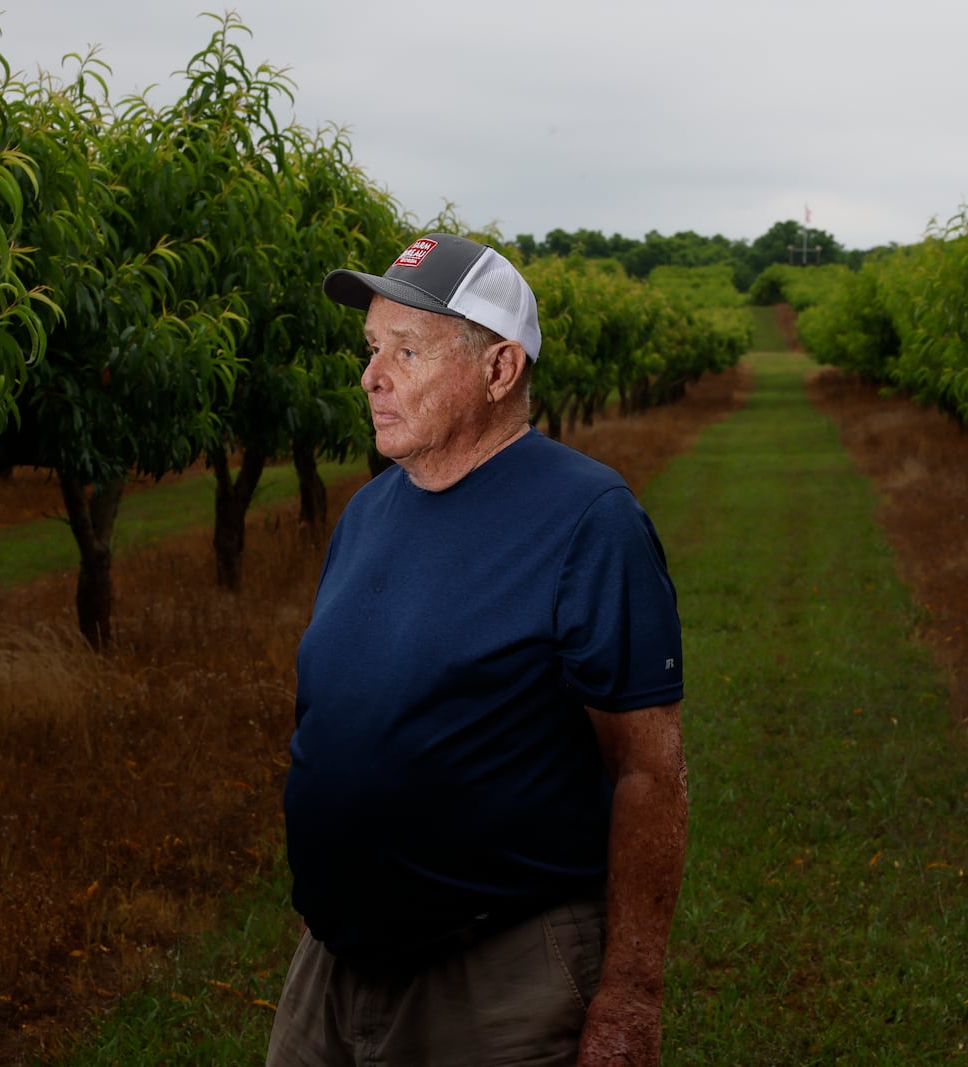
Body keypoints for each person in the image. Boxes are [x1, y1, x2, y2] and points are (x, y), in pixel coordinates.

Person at [266, 233, 688, 1067]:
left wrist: (632, 991)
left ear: (500, 370)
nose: (370, 376)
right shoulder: (370, 512)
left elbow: (649, 770)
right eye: (371, 348)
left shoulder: (588, 521)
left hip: (494, 980)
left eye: (406, 350)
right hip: (330, 965)